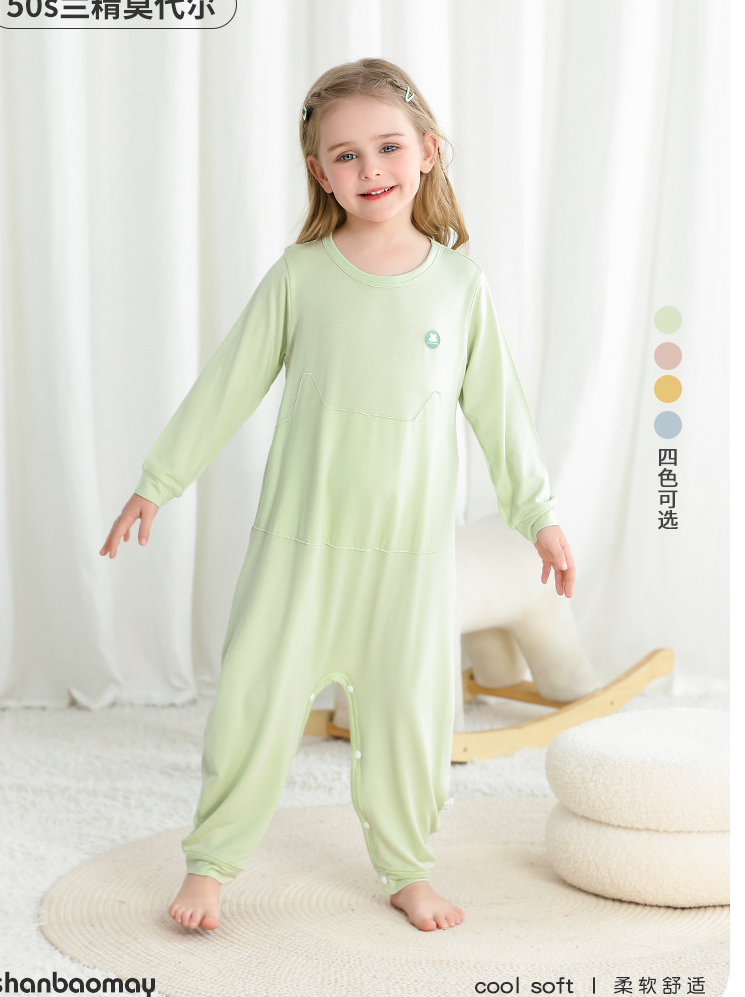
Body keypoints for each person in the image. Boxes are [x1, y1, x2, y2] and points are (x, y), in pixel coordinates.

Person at [100, 57, 576, 934]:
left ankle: (407, 868)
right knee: (253, 700)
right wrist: (157, 482)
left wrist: (537, 516)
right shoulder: (302, 276)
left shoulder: (459, 285)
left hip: (408, 556)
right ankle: (211, 865)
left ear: (428, 151)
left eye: (388, 147)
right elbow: (227, 384)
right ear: (319, 172)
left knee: (409, 718)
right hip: (300, 546)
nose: (371, 169)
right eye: (346, 155)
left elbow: (500, 413)